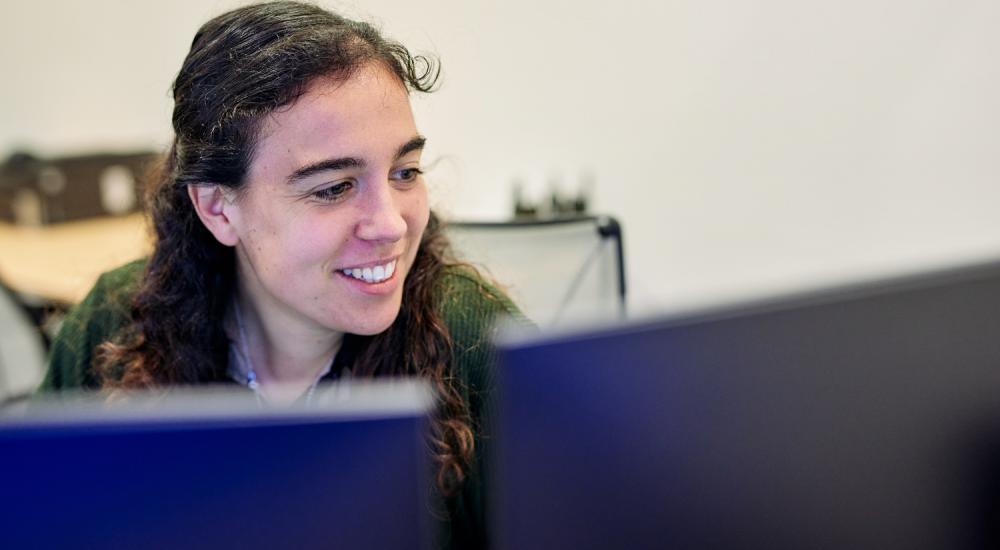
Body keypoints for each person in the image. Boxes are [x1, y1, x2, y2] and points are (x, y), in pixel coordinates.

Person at [39, 2, 527, 548]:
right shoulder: (118, 324)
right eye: (333, 188)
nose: (391, 224)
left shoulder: (476, 340)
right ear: (219, 208)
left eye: (404, 172)